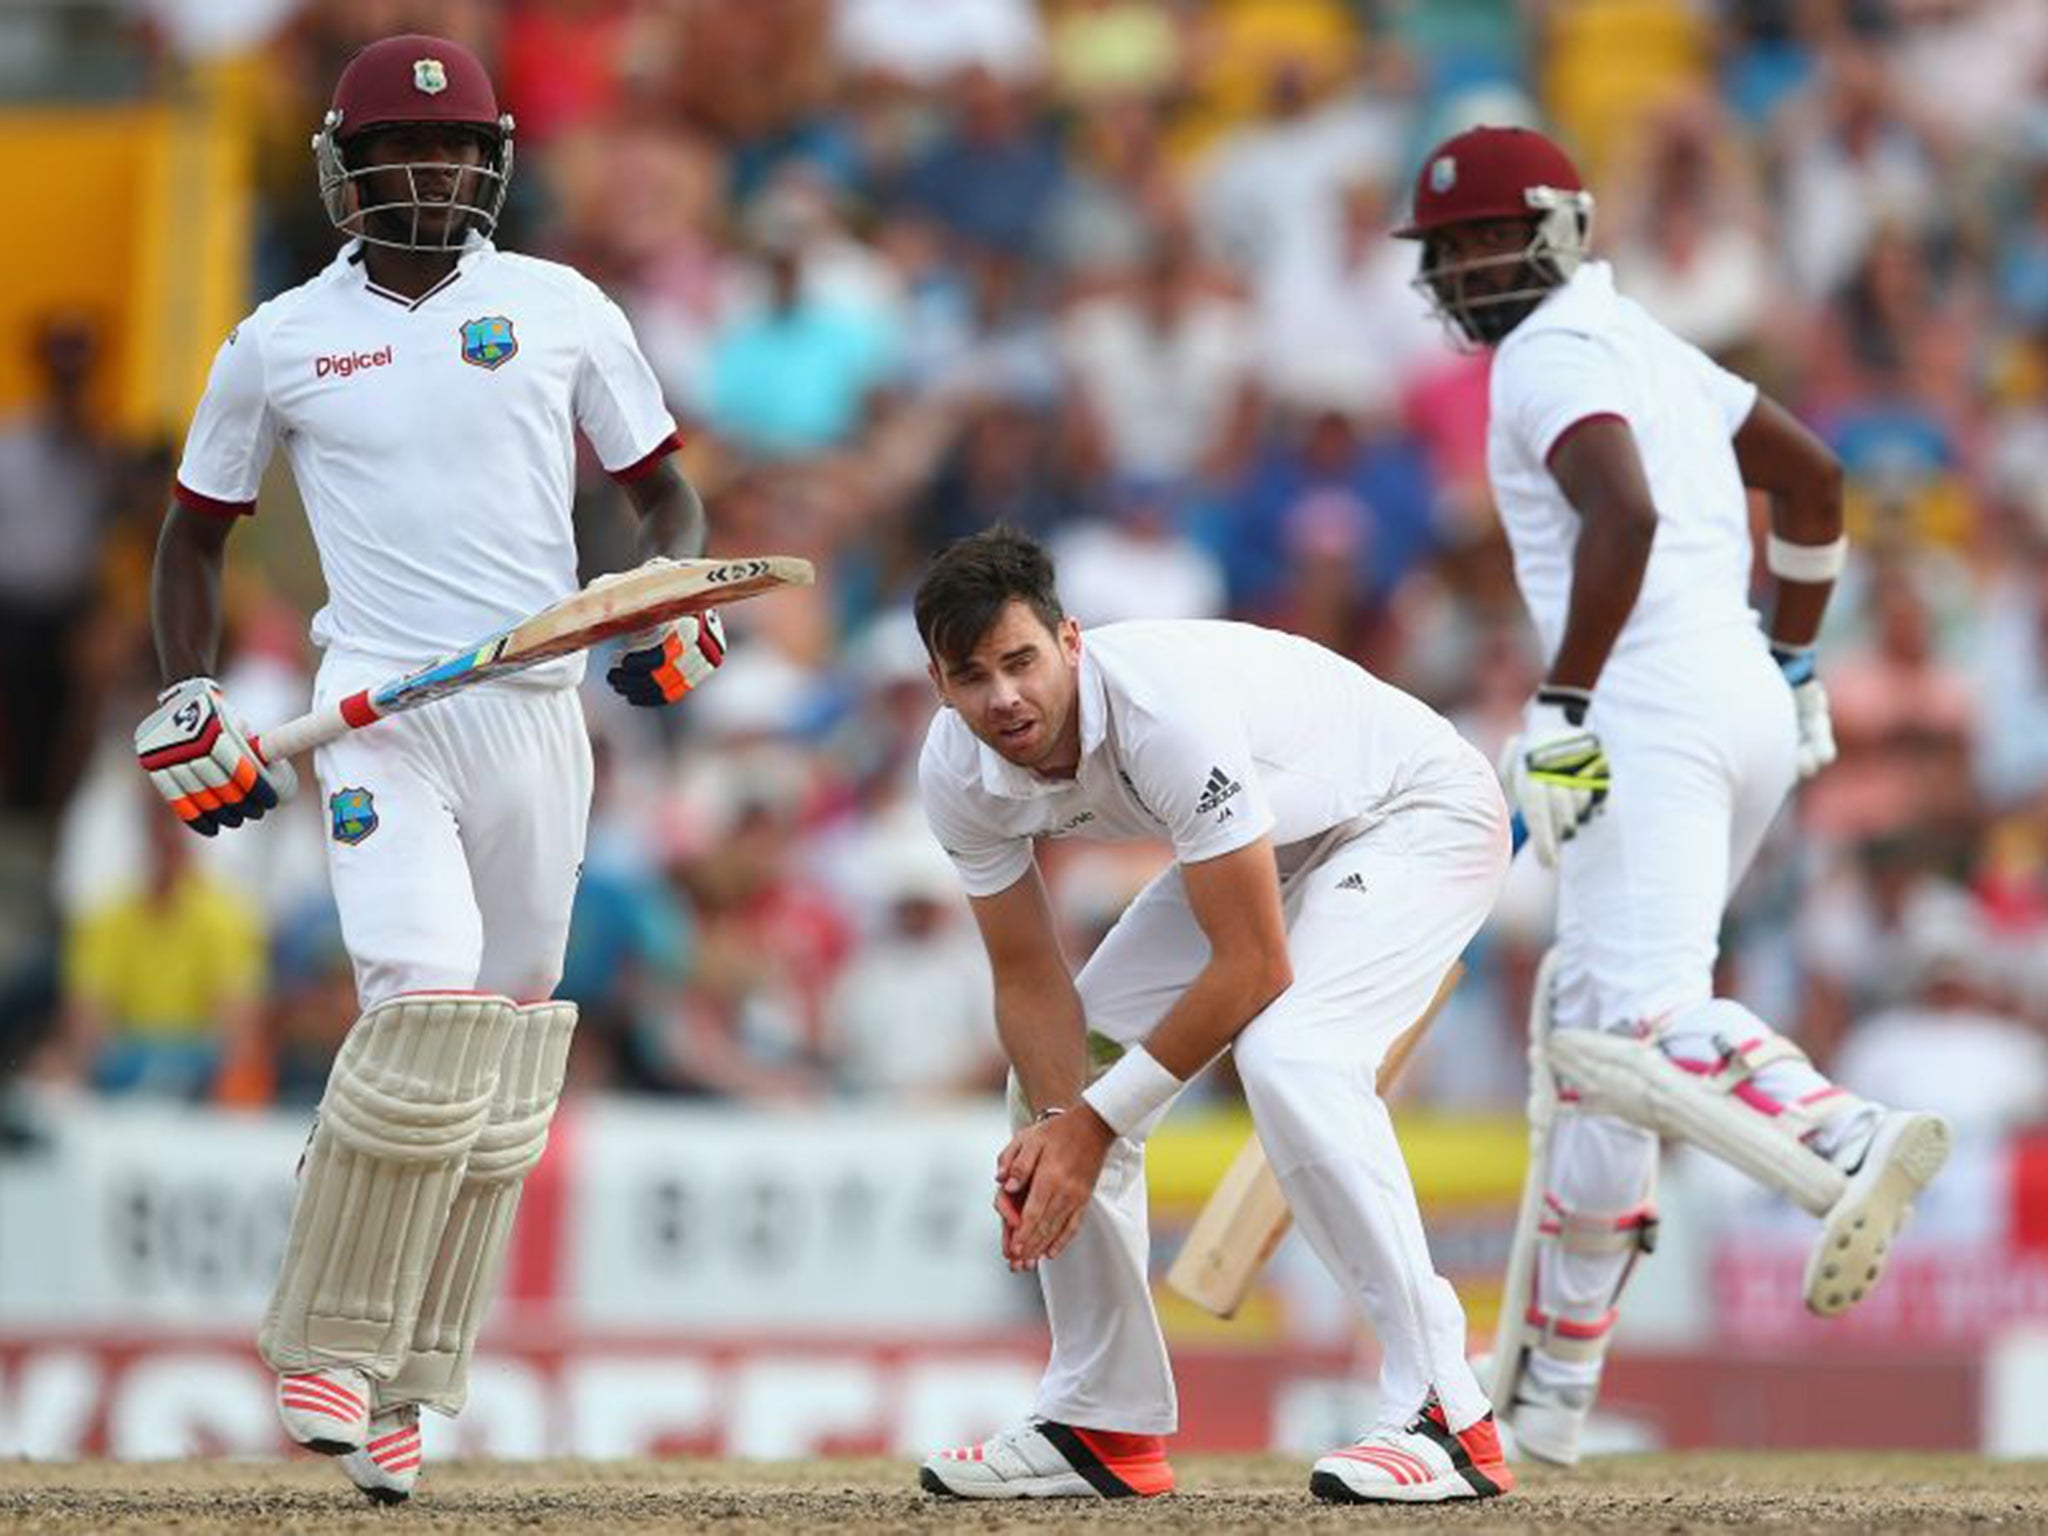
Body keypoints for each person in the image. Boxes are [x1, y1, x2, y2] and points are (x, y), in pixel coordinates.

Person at [131, 35, 726, 1504]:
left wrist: (679, 595)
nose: (432, 170)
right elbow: (193, 534)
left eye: (456, 148)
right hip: (374, 708)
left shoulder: (563, 309)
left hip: (535, 713)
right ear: (344, 167)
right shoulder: (278, 338)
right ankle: (327, 1341)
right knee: (426, 997)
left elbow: (664, 494)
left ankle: (407, 1377)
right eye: (402, 148)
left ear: (494, 161)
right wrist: (192, 692)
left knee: (505, 1061)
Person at [1392, 124, 1952, 1466]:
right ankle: (1548, 1398)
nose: (1469, 267)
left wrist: (1568, 700)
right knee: (1589, 1047)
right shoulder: (1648, 341)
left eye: (1486, 237)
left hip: (1643, 701)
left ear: (1562, 226)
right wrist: (1799, 654)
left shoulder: (1548, 355)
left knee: (1632, 1028)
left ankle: (1845, 1133)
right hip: (1742, 695)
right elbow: (1813, 484)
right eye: (1450, 248)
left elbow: (1624, 516)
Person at [912, 526, 1517, 1504]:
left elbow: (1251, 968)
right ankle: (1097, 1421)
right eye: (971, 677)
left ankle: (1445, 1412)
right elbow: (1028, 979)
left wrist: (1095, 1130)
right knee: (1052, 1087)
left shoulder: (1158, 712)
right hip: (1267, 842)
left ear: (1069, 641)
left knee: (1290, 1057)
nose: (1003, 699)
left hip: (1412, 813)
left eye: (1020, 662)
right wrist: (1067, 1128)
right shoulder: (955, 772)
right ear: (939, 685)